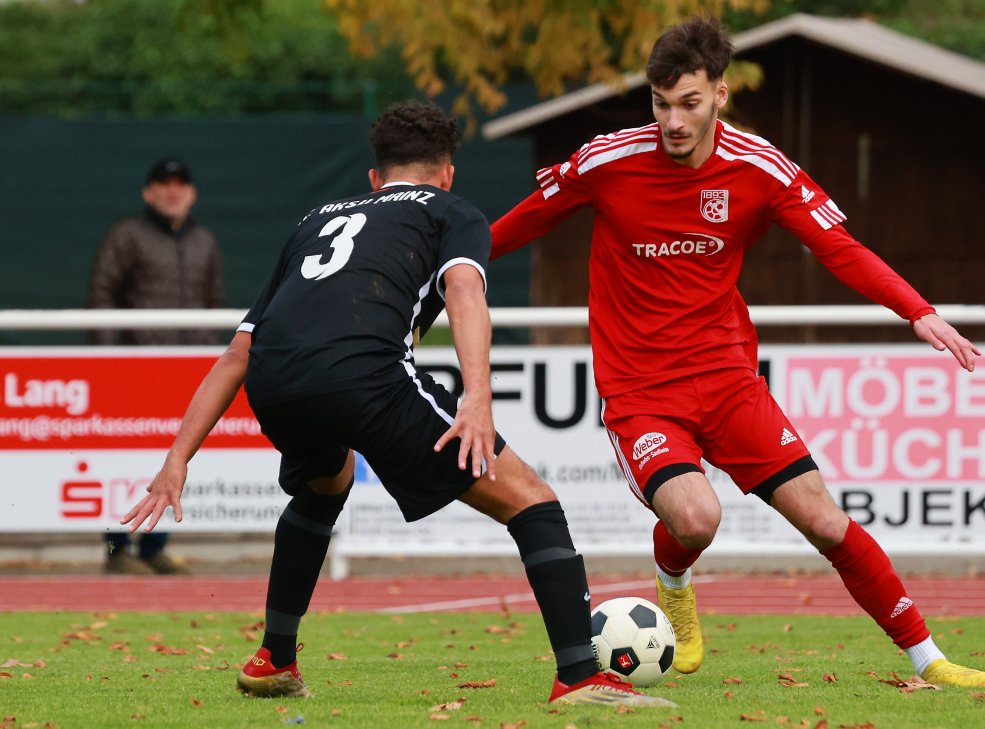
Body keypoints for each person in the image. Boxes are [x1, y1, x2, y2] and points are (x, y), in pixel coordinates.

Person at [489, 17, 985, 688]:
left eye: (689, 103)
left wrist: (918, 310)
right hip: (641, 390)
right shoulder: (608, 161)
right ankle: (673, 576)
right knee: (697, 516)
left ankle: (927, 659)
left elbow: (838, 248)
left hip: (729, 382)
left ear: (720, 95)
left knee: (824, 519)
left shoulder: (759, 169)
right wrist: (437, 270)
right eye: (661, 102)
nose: (673, 120)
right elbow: (519, 222)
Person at [118, 101, 675, 707]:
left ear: (374, 179)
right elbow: (463, 288)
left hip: (276, 384)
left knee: (323, 486)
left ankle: (274, 657)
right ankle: (578, 676)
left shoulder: (316, 217)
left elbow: (237, 353)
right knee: (534, 503)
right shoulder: (451, 210)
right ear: (449, 172)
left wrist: (178, 459)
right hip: (364, 375)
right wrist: (478, 400)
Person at [88, 156, 224, 575]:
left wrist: (212, 366)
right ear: (149, 192)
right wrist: (109, 363)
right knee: (118, 461)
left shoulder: (205, 241)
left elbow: (214, 306)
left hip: (186, 375)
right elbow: (102, 296)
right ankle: (116, 551)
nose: (173, 190)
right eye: (164, 183)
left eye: (180, 182)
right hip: (131, 372)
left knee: (176, 457)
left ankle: (153, 549)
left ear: (192, 192)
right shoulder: (126, 235)